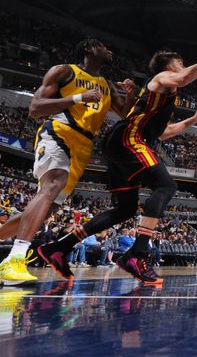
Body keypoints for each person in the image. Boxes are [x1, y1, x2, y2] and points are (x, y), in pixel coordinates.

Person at [38, 45, 197, 284]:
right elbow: (186, 76)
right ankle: (137, 253)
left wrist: (193, 120)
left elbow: (164, 133)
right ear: (169, 67)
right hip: (128, 139)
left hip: (121, 142)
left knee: (125, 209)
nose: (184, 68)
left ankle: (60, 247)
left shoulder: (163, 96)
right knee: (166, 187)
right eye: (180, 63)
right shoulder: (162, 78)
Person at [0, 39, 133, 286]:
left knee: (44, 211)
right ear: (88, 49)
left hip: (83, 147)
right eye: (104, 46)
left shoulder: (106, 85)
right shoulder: (65, 71)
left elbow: (127, 114)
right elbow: (35, 108)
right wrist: (78, 97)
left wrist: (131, 94)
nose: (110, 50)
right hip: (59, 132)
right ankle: (14, 259)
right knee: (53, 184)